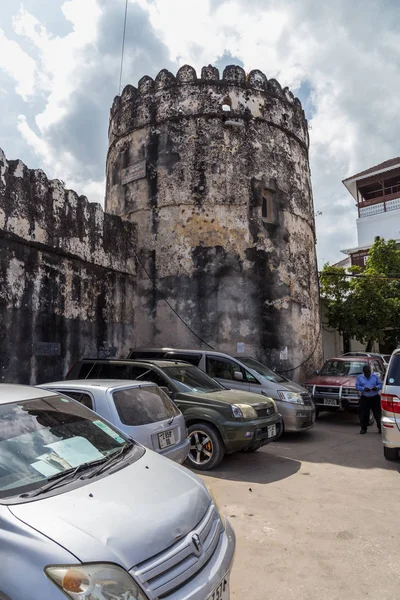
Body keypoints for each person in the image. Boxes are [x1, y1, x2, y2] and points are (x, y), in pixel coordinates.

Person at [356, 364, 382, 434]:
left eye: (369, 372)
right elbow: (357, 386)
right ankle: (363, 428)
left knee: (377, 414)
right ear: (363, 372)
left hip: (375, 397)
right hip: (365, 397)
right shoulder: (359, 377)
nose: (368, 373)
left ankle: (380, 428)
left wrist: (376, 387)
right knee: (364, 414)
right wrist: (363, 389)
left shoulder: (375, 377)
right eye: (367, 372)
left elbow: (380, 384)